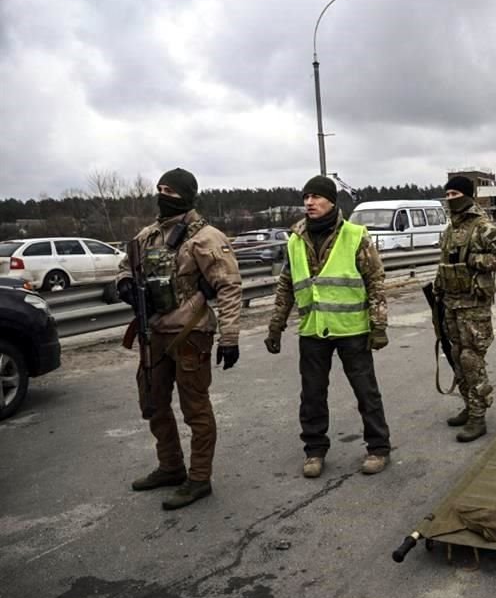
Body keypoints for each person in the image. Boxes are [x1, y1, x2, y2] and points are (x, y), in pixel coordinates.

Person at [116, 167, 242, 511]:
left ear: (186, 195)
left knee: (195, 410)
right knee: (153, 404)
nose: (162, 195)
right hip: (153, 334)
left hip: (191, 334)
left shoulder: (206, 238)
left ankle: (199, 479)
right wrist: (125, 283)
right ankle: (170, 467)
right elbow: (126, 266)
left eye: (169, 190)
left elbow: (229, 287)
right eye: (159, 188)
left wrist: (229, 338)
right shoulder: (146, 236)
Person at [265, 175, 391, 477]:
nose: (309, 202)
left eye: (316, 197)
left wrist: (379, 324)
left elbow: (375, 281)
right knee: (312, 395)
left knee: (366, 392)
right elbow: (286, 285)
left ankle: (378, 448)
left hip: (352, 329)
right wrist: (276, 325)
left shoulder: (355, 235)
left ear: (331, 201)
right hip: (312, 328)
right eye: (306, 197)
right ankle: (314, 451)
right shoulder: (296, 239)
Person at [434, 175, 496, 442]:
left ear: (467, 196)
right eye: (447, 195)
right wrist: (438, 288)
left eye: (455, 194)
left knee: (471, 359)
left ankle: (479, 417)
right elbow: (444, 263)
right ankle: (469, 407)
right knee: (457, 355)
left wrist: (476, 260)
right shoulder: (449, 230)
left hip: (473, 305)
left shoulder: (482, 227)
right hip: (451, 303)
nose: (450, 199)